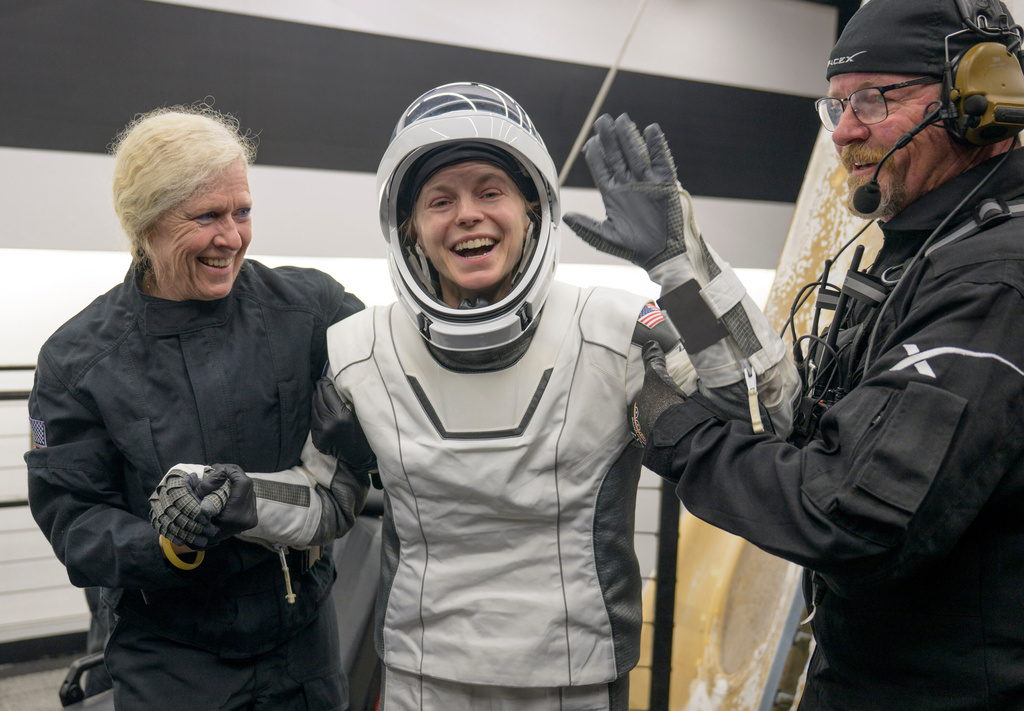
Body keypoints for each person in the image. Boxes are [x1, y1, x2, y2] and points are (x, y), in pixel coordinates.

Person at [304, 83, 800, 710]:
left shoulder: (616, 332)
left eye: (490, 191)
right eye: (440, 200)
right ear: (410, 230)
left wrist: (678, 266)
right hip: (420, 680)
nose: (467, 214)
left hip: (574, 684)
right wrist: (236, 497)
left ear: (532, 210)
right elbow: (318, 506)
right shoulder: (359, 347)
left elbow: (760, 410)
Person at [612, 0, 1024, 708]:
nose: (848, 132)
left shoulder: (994, 281)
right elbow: (789, 416)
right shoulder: (921, 253)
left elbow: (849, 510)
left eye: (872, 99)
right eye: (835, 107)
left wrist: (678, 436)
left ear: (981, 99)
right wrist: (682, 270)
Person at [25, 105, 366, 710]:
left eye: (243, 211)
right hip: (171, 659)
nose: (232, 237)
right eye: (207, 216)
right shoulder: (78, 361)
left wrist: (370, 443)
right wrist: (168, 545)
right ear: (146, 223)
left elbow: (417, 364)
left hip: (301, 644)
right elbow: (73, 518)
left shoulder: (310, 311)